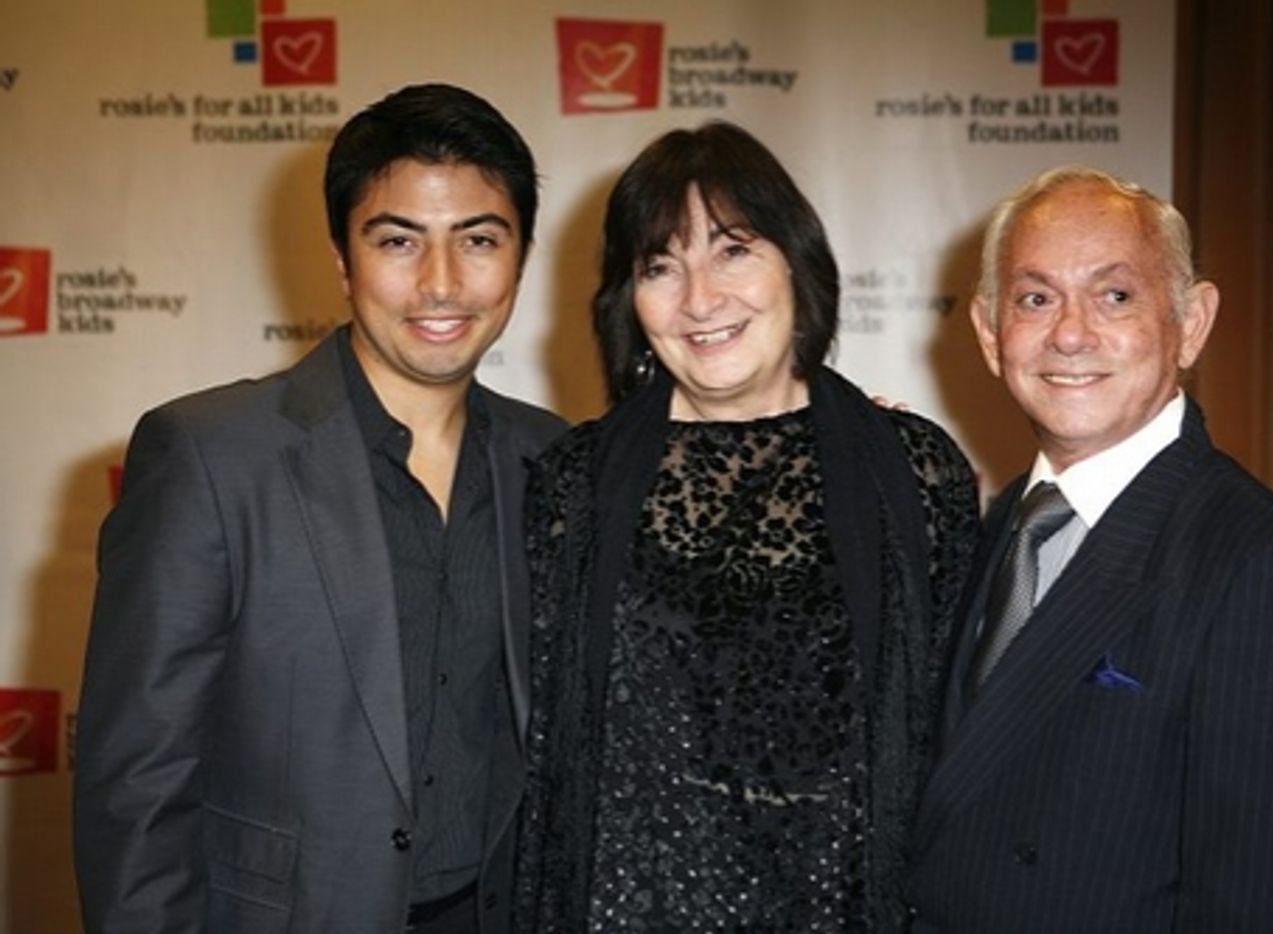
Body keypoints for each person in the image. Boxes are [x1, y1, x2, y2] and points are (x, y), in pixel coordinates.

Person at [72, 83, 566, 933]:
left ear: (520, 258)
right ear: (343, 259)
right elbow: (136, 784)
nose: (441, 283)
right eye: (398, 241)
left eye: (479, 240)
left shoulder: (554, 459)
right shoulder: (210, 455)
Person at [512, 120, 979, 932]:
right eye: (661, 266)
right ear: (630, 300)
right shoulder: (572, 485)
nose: (700, 299)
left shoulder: (913, 473)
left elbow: (956, 746)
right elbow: (543, 761)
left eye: (733, 250)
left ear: (796, 262)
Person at [907, 165, 1273, 932]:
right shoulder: (990, 530)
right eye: (1036, 299)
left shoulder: (1272, 569)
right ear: (990, 333)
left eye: (1115, 295)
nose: (1071, 334)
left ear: (1192, 321)